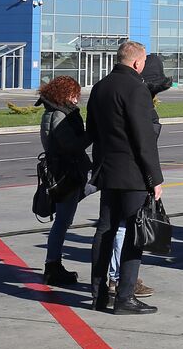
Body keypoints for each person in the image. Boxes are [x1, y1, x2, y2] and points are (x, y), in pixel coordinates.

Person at [86, 40, 163, 316]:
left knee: (104, 231)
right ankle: (125, 297)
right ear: (136, 63)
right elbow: (144, 139)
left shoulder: (99, 87)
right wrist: (155, 178)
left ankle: (98, 295)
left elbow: (91, 131)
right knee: (134, 232)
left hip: (108, 171)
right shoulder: (136, 88)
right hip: (132, 174)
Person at [38, 75, 91, 286]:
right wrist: (92, 135)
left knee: (63, 220)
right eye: (74, 95)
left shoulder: (53, 112)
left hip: (63, 172)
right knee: (62, 221)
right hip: (66, 174)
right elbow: (72, 146)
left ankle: (53, 265)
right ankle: (52, 266)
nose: (77, 99)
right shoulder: (60, 115)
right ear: (65, 94)